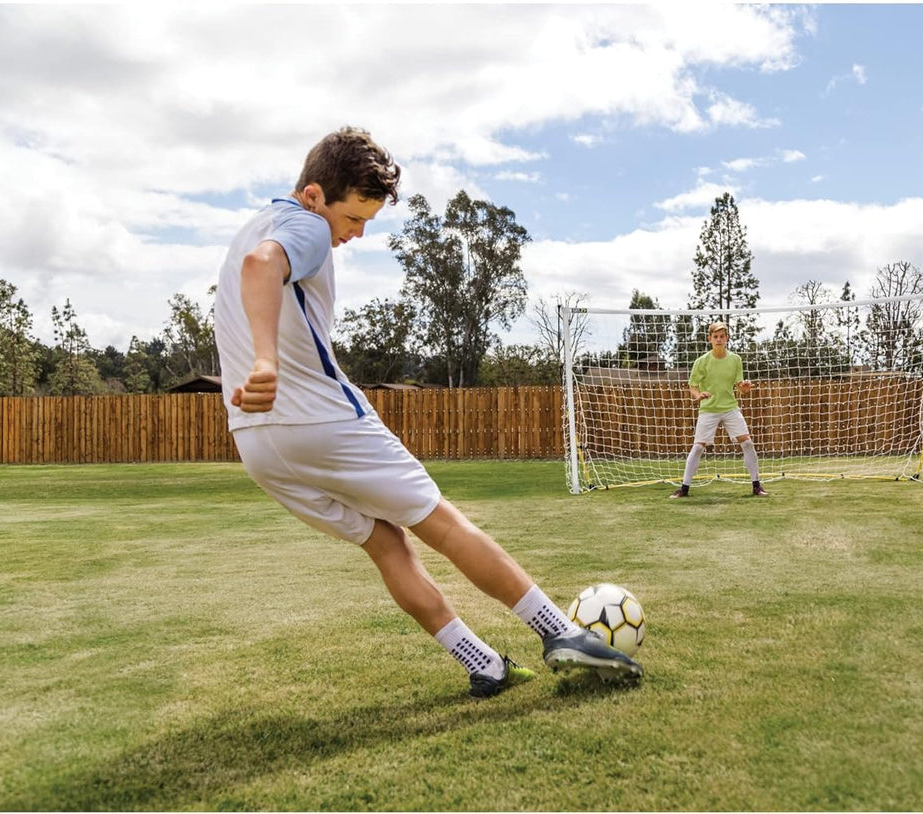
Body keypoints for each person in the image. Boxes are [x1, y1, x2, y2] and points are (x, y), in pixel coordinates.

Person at [214, 126, 641, 699]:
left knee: (386, 545)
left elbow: (253, 263)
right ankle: (560, 631)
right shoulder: (306, 224)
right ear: (315, 195)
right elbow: (262, 267)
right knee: (440, 521)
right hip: (321, 422)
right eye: (353, 217)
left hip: (258, 445)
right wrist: (267, 362)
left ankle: (483, 663)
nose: (355, 233)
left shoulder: (251, 225)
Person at [670, 322, 769, 499]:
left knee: (747, 442)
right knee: (698, 447)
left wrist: (744, 388)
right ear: (710, 339)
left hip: (730, 408)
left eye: (722, 336)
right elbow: (692, 386)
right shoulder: (702, 362)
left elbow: (740, 386)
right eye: (715, 336)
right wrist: (698, 395)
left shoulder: (735, 360)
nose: (719, 339)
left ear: (727, 339)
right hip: (709, 410)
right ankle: (684, 489)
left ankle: (756, 486)